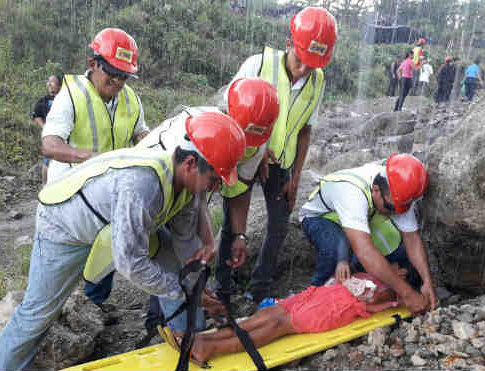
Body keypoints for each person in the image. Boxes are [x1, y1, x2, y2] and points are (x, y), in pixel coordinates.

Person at [0, 112, 247, 371]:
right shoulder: (142, 185)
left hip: (114, 224)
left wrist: (197, 287)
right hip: (63, 226)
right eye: (214, 179)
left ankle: (191, 343)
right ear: (191, 163)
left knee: (174, 267)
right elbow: (131, 264)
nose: (215, 188)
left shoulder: (188, 187)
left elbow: (184, 243)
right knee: (38, 314)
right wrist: (186, 292)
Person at [135, 77, 280, 318]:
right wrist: (206, 243)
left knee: (187, 259)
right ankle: (168, 321)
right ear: (229, 113)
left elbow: (238, 190)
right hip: (150, 195)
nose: (242, 144)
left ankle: (181, 319)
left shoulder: (256, 145)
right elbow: (191, 201)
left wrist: (239, 235)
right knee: (167, 258)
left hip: (184, 197)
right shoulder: (192, 134)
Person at [222, 6, 338, 303]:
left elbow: (305, 130)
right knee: (232, 222)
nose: (304, 70)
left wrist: (296, 176)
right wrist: (256, 149)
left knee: (279, 224)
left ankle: (257, 289)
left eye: (312, 66)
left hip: (282, 165)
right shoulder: (257, 65)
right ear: (289, 44)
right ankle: (223, 285)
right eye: (301, 61)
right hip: (246, 156)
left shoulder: (318, 80)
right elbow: (229, 112)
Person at [40, 28, 150, 308]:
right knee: (65, 261)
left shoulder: (131, 99)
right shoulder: (71, 95)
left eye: (124, 75)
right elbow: (50, 145)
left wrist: (150, 146)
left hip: (111, 196)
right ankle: (56, 307)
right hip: (70, 197)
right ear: (93, 64)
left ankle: (94, 305)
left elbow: (141, 134)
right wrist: (89, 157)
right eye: (112, 73)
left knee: (107, 249)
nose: (118, 81)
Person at [299, 154, 438, 315]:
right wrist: (408, 294)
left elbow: (412, 239)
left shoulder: (396, 190)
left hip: (364, 219)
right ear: (376, 190)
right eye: (391, 209)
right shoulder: (352, 193)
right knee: (335, 250)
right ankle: (313, 301)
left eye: (400, 209)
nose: (394, 214)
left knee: (404, 262)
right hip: (323, 219)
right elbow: (365, 252)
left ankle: (364, 282)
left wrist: (427, 281)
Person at [188, 269, 402, 364]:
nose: (396, 269)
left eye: (401, 270)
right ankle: (205, 339)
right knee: (266, 314)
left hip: (334, 309)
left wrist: (389, 285)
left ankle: (211, 348)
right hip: (319, 294)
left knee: (276, 325)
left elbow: (375, 301)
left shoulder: (390, 289)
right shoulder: (371, 269)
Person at [31, 74, 62, 184]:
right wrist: (45, 127)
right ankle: (45, 187)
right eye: (48, 81)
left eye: (52, 82)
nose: (49, 84)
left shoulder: (65, 99)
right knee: (47, 162)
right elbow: (36, 115)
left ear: (59, 85)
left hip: (64, 136)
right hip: (49, 136)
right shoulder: (43, 101)